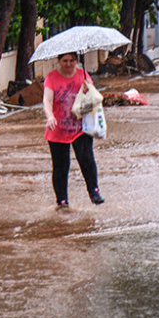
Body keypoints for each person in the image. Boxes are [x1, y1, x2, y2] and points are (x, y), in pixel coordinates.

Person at [43, 52, 105, 210]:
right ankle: (62, 201)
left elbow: (94, 98)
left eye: (72, 61)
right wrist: (50, 117)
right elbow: (47, 100)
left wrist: (87, 94)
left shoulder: (83, 75)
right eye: (65, 61)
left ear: (77, 61)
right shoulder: (51, 78)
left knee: (87, 160)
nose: (69, 64)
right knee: (61, 167)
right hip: (57, 130)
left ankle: (94, 192)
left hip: (80, 129)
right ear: (59, 61)